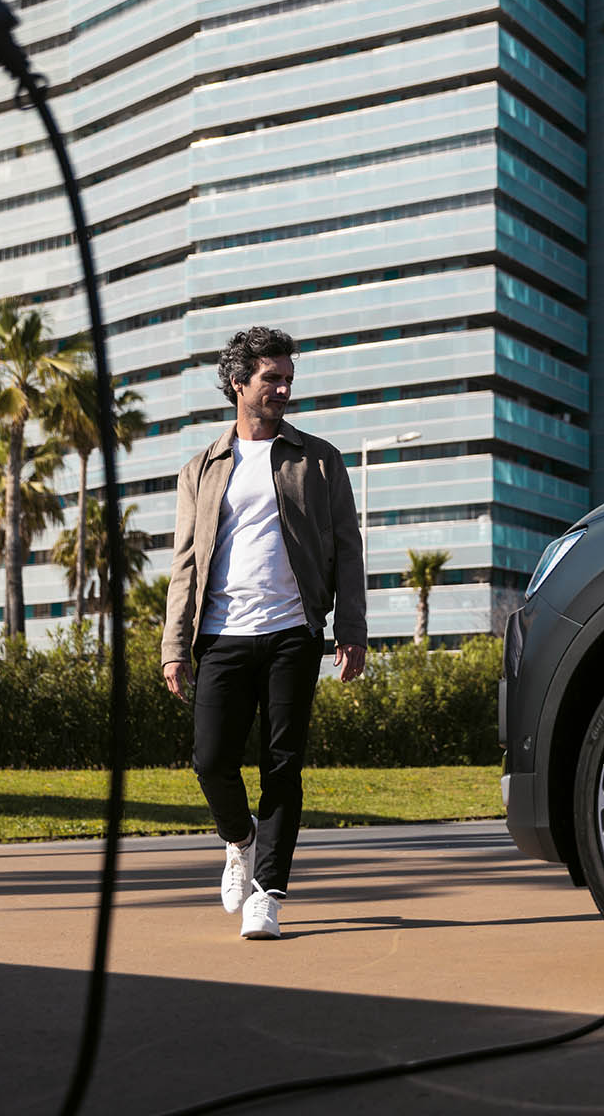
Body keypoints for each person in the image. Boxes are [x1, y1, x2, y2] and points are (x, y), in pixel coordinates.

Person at [161, 326, 366, 939]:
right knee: (210, 759)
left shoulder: (319, 460)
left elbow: (348, 551)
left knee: (283, 763)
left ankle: (268, 893)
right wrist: (174, 644)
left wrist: (350, 630)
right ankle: (240, 838)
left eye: (287, 379)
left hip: (291, 632)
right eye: (270, 378)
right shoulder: (201, 467)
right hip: (221, 633)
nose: (282, 388)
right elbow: (185, 561)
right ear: (237, 383)